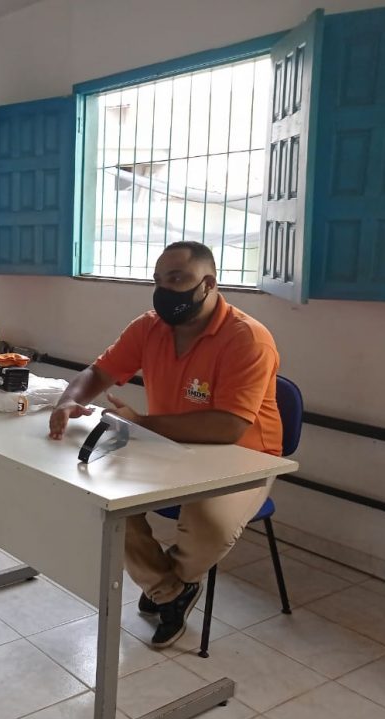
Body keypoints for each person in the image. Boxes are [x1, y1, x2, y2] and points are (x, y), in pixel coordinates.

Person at [48, 241, 282, 648]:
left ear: (208, 283)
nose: (164, 291)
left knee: (209, 525)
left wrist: (141, 423)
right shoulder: (149, 327)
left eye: (176, 279)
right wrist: (71, 399)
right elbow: (99, 371)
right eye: (158, 281)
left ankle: (167, 583)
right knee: (99, 499)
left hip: (244, 456)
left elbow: (228, 427)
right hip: (165, 443)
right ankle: (170, 590)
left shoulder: (248, 338)